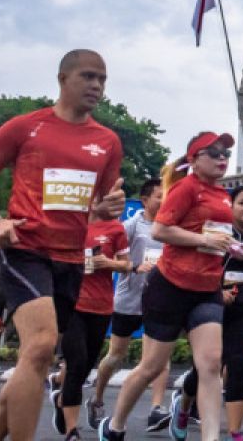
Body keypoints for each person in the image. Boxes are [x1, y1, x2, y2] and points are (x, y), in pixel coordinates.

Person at [0, 50, 125, 441]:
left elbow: (93, 208)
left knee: (35, 361)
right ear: (62, 78)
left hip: (71, 259)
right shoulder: (26, 127)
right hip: (25, 248)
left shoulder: (108, 142)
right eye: (88, 76)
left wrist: (105, 207)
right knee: (39, 347)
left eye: (103, 79)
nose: (97, 86)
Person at [98, 131, 243, 441]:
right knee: (151, 367)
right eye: (214, 153)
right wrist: (205, 239)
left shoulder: (222, 194)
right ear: (194, 159)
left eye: (226, 155)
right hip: (170, 287)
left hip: (206, 290)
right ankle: (115, 425)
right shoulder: (184, 189)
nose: (222, 159)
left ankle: (210, 438)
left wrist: (232, 246)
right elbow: (161, 230)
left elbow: (212, 235)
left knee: (210, 365)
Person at [172, 184, 243, 441]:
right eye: (242, 203)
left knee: (238, 366)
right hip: (213, 309)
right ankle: (183, 408)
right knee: (206, 369)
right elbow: (204, 266)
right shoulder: (219, 232)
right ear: (230, 206)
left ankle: (235, 432)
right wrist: (217, 291)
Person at [89, 178, 172, 431]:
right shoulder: (131, 226)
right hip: (128, 300)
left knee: (160, 357)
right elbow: (111, 256)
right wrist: (134, 268)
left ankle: (156, 409)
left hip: (158, 300)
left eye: (166, 195)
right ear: (145, 200)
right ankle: (98, 398)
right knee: (116, 356)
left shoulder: (170, 227)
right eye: (159, 196)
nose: (164, 200)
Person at [50, 213, 130, 439]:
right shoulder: (71, 221)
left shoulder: (116, 229)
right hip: (72, 304)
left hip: (102, 307)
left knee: (85, 367)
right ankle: (72, 431)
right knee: (76, 363)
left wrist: (109, 263)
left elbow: (127, 265)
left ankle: (61, 399)